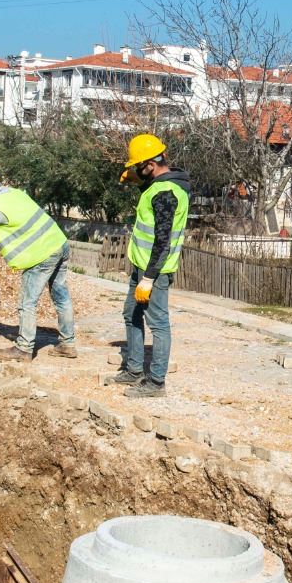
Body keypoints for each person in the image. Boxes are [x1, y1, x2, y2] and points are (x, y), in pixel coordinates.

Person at [0, 166, 76, 361]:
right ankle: (67, 344)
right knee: (61, 298)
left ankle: (24, 349)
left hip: (41, 255)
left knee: (27, 303)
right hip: (59, 244)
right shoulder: (13, 193)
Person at [107, 134, 190, 399]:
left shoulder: (166, 193)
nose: (136, 171)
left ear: (151, 165)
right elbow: (151, 204)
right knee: (131, 314)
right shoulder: (160, 185)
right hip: (141, 266)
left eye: (138, 167)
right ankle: (133, 370)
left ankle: (156, 382)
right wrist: (137, 183)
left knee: (158, 324)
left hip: (154, 271)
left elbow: (163, 241)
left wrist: (149, 279)